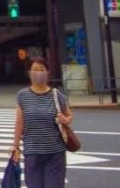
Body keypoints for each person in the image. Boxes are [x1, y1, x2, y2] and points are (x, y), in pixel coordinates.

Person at [10, 57, 74, 188]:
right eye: (35, 69)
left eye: (42, 69)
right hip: (32, 152)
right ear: (29, 73)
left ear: (47, 73)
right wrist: (15, 147)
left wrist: (65, 119)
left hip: (55, 153)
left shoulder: (57, 95)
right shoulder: (22, 95)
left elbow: (69, 116)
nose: (38, 72)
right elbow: (19, 123)